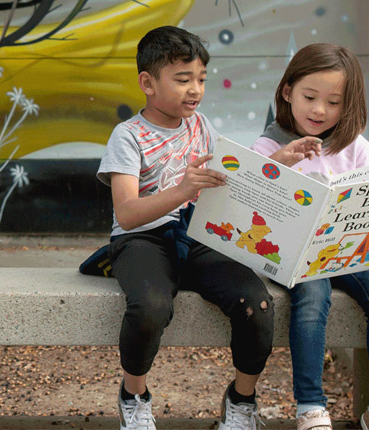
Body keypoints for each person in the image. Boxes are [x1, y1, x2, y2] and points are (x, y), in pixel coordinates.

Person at [97, 26, 274, 430]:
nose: (195, 90)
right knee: (150, 306)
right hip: (140, 239)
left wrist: (282, 159)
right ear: (147, 83)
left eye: (200, 79)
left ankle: (241, 402)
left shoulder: (200, 124)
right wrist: (181, 190)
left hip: (198, 235)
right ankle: (134, 396)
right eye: (182, 80)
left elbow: (231, 176)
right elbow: (126, 214)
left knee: (257, 303)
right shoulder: (128, 137)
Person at [251, 43, 369, 430]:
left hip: (349, 253)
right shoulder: (268, 146)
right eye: (309, 97)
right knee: (313, 295)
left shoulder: (356, 147)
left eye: (334, 102)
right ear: (287, 92)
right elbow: (250, 202)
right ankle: (310, 406)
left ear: (349, 104)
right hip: (294, 257)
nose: (319, 110)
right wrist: (280, 162)